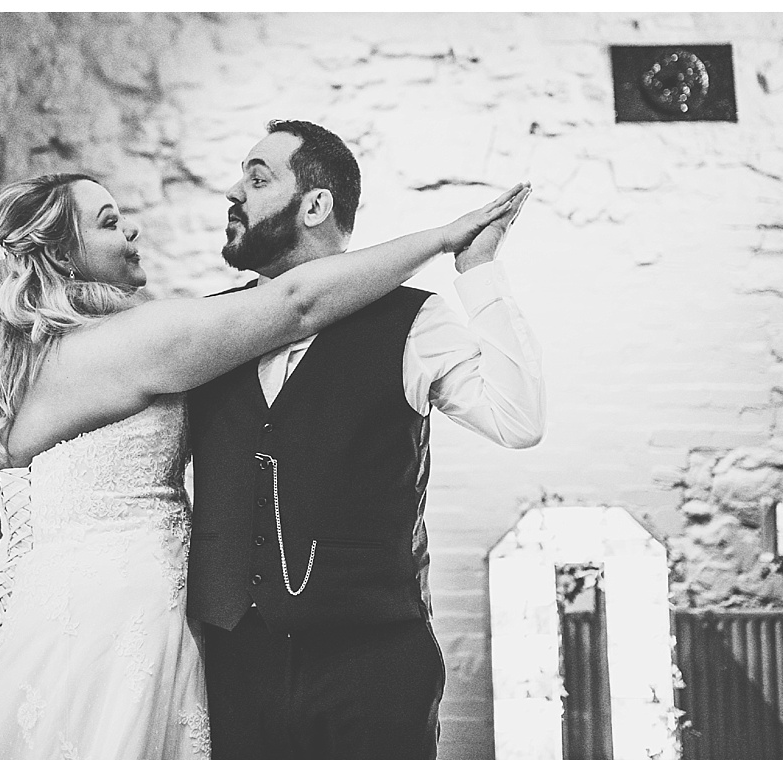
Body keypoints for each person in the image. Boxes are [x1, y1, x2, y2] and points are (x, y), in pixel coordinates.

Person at [0, 170, 526, 759]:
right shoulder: (135, 340)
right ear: (64, 255)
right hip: (127, 618)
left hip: (33, 611)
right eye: (108, 222)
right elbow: (297, 305)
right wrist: (443, 238)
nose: (132, 228)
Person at [186, 120, 547, 759]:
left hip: (372, 669)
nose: (232, 192)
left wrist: (480, 272)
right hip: (233, 664)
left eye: (258, 176)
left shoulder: (412, 319)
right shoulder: (211, 325)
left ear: (316, 204)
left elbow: (516, 419)